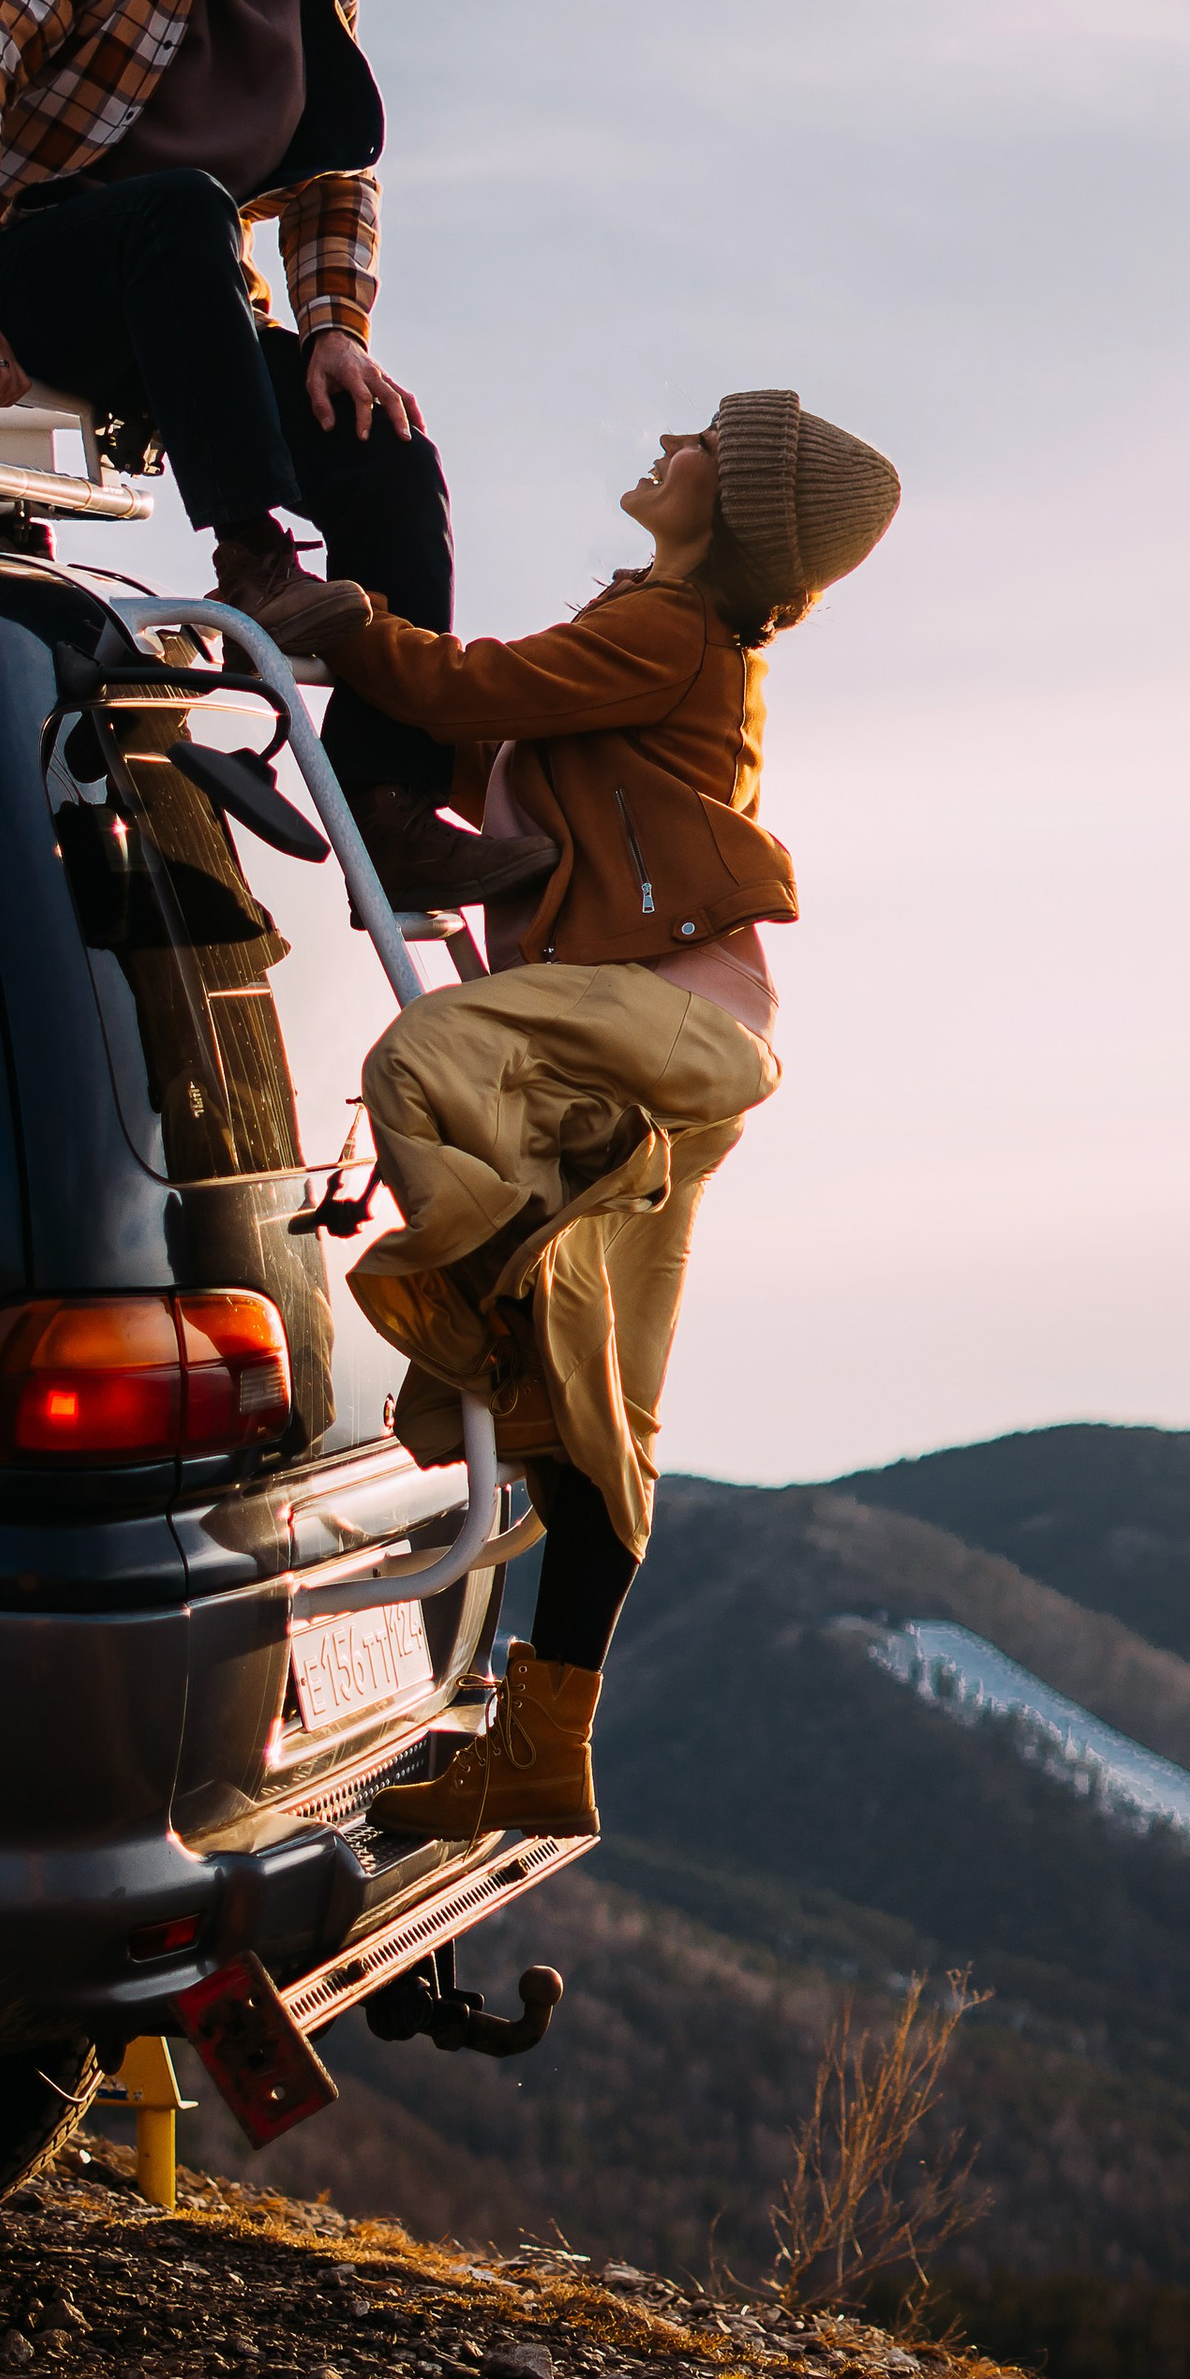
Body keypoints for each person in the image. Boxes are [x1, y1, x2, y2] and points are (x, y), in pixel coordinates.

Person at [299, 387, 901, 1840]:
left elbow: (471, 690)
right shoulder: (651, 652)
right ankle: (543, 1741)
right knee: (597, 1408)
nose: (668, 442)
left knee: (424, 1063)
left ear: (738, 510)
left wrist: (334, 627)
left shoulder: (669, 635)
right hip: (666, 1053)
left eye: (701, 442)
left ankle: (471, 1297)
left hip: (666, 1025)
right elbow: (483, 734)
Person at [0, 0, 544, 913]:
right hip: (53, 272)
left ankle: (390, 805)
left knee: (386, 447)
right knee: (181, 207)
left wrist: (337, 337)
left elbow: (333, 186)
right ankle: (250, 557)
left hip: (184, 309)